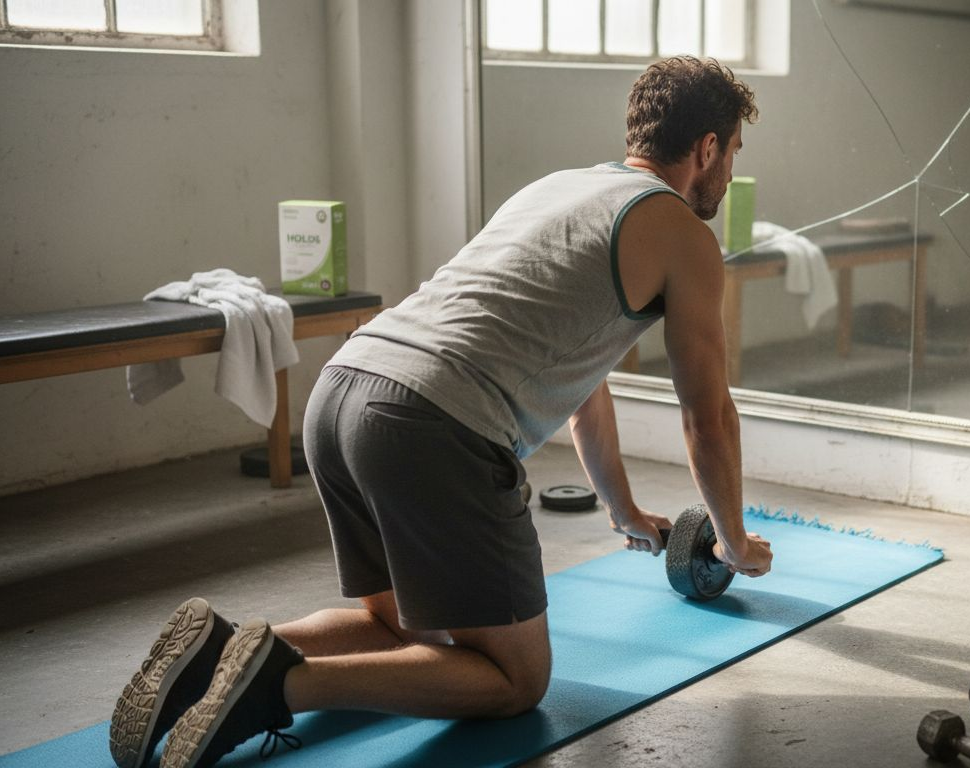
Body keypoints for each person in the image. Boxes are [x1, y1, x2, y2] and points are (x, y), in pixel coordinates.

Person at [108, 55, 773, 768]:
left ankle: (212, 657)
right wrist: (733, 541)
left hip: (343, 391)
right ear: (707, 147)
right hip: (429, 424)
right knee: (516, 679)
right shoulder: (682, 234)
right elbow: (708, 417)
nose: (731, 169)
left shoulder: (558, 188)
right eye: (734, 151)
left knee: (401, 629)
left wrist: (623, 510)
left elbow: (581, 385)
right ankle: (278, 687)